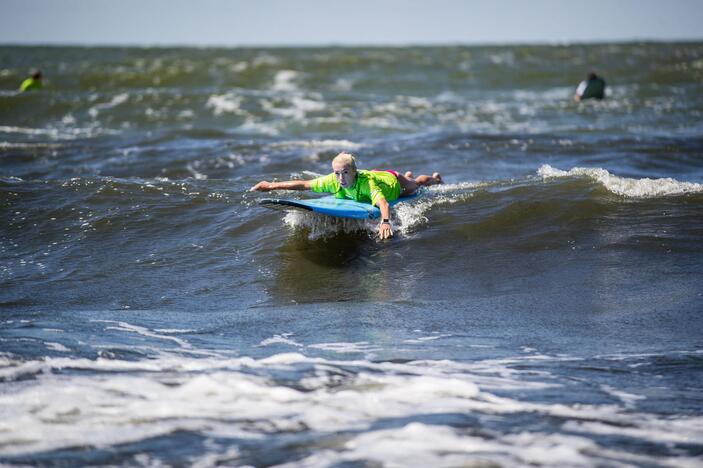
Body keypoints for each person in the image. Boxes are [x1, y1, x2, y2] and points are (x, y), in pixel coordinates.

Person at [251, 152, 443, 239]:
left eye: (344, 173)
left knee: (413, 187)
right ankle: (411, 177)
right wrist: (270, 185)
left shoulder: (367, 183)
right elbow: (304, 184)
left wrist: (385, 222)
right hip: (378, 176)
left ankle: (432, 179)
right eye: (336, 173)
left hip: (390, 180)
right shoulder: (333, 180)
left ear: (354, 171)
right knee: (410, 185)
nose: (340, 178)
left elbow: (383, 203)